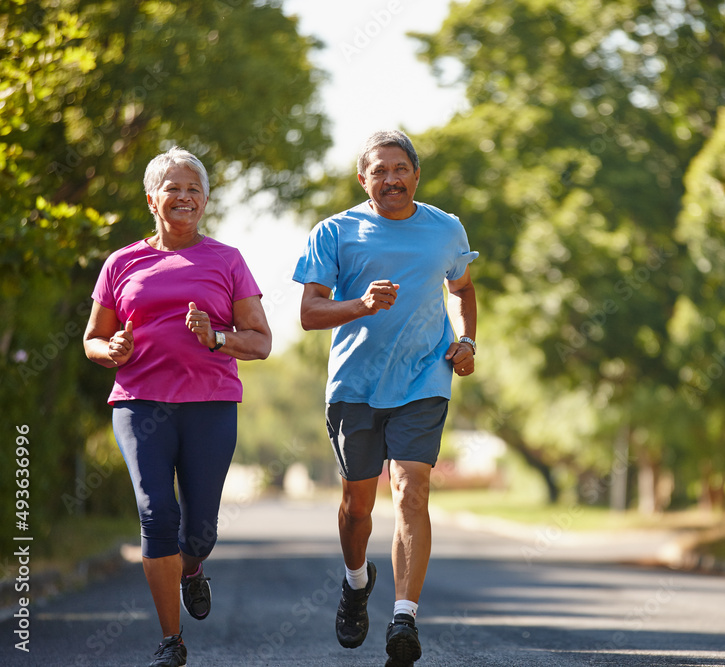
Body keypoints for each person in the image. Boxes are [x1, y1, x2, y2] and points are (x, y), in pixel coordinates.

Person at [294, 129, 478, 667]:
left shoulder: (445, 229)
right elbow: (308, 314)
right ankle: (356, 585)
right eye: (379, 170)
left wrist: (465, 341)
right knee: (357, 508)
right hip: (356, 386)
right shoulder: (335, 232)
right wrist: (361, 305)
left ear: (416, 174)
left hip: (424, 378)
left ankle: (404, 618)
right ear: (363, 179)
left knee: (411, 490)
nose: (391, 179)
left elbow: (461, 289)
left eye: (401, 168)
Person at [83, 147, 272, 667]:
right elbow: (92, 340)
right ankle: (172, 640)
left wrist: (216, 338)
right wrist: (111, 350)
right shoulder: (122, 262)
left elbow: (260, 341)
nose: (184, 196)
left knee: (200, 531)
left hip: (210, 404)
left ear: (205, 201)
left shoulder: (226, 260)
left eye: (193, 189)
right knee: (155, 514)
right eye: (173, 188)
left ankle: (192, 568)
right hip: (139, 403)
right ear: (152, 199)